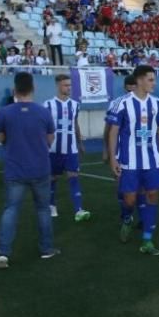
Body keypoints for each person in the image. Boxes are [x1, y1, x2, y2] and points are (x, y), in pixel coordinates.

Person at [0, 72, 59, 269]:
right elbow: (50, 139)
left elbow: (0, 138)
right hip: (40, 169)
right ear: (33, 88)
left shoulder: (5, 112)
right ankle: (46, 249)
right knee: (43, 209)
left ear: (15, 89)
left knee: (11, 209)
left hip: (15, 170)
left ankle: (3, 254)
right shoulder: (44, 112)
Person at [108, 65, 159, 255]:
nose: (154, 83)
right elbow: (113, 131)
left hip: (151, 160)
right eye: (151, 79)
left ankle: (147, 241)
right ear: (140, 80)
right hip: (128, 160)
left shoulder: (156, 103)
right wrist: (112, 158)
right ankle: (127, 218)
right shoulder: (123, 103)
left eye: (154, 79)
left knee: (152, 196)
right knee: (129, 200)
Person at [45, 74, 91, 222]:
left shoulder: (75, 104)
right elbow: (43, 127)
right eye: (66, 85)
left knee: (74, 176)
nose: (69, 88)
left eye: (70, 85)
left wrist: (80, 143)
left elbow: (75, 123)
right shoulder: (48, 105)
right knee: (53, 178)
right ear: (58, 85)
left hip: (71, 148)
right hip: (53, 149)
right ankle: (51, 205)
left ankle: (78, 209)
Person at [103, 74, 141, 231]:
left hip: (140, 152)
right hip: (120, 152)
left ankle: (142, 216)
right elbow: (108, 129)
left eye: (135, 85)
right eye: (130, 85)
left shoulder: (146, 103)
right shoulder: (117, 103)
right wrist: (107, 150)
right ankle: (125, 214)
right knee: (121, 184)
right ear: (126, 87)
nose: (132, 88)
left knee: (141, 187)